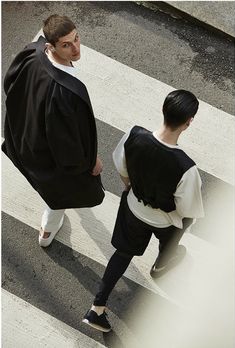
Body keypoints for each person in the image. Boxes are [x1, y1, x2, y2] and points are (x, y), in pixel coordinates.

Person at [83, 89, 204, 332]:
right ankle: (161, 265)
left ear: (163, 110)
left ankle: (97, 308)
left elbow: (121, 166)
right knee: (178, 231)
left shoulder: (133, 135)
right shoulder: (186, 168)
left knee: (122, 254)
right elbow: (187, 208)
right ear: (188, 123)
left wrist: (131, 188)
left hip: (133, 209)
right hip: (164, 221)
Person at [2, 14, 104, 247]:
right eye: (67, 45)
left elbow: (9, 82)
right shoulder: (64, 93)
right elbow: (68, 148)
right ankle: (47, 231)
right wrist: (90, 163)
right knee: (61, 191)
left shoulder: (32, 53)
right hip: (46, 155)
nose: (76, 48)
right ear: (52, 46)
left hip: (22, 136)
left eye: (77, 38)